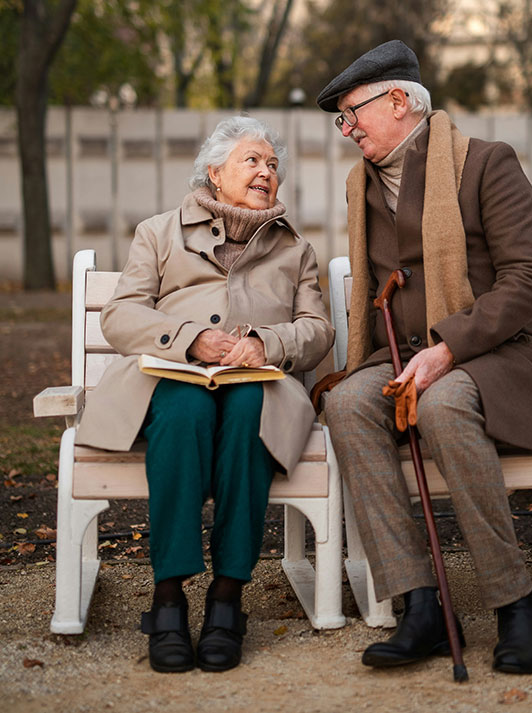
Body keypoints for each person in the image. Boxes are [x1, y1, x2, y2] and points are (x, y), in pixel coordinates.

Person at [316, 40, 532, 675]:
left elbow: (527, 281)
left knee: (445, 403)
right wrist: (401, 354)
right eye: (340, 120)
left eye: (353, 114)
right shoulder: (361, 188)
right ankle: (420, 607)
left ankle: (515, 602)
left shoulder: (486, 164)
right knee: (347, 403)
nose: (347, 131)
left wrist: (449, 347)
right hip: (403, 354)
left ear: (398, 100)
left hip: (496, 354)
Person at [75, 116, 334, 673]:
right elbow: (121, 315)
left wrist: (266, 343)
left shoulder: (296, 250)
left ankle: (226, 598)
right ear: (214, 174)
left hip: (257, 382)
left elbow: (317, 330)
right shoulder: (159, 232)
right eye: (252, 161)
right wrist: (190, 340)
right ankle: (168, 595)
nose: (266, 172)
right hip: (172, 377)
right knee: (185, 408)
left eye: (272, 164)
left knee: (246, 413)